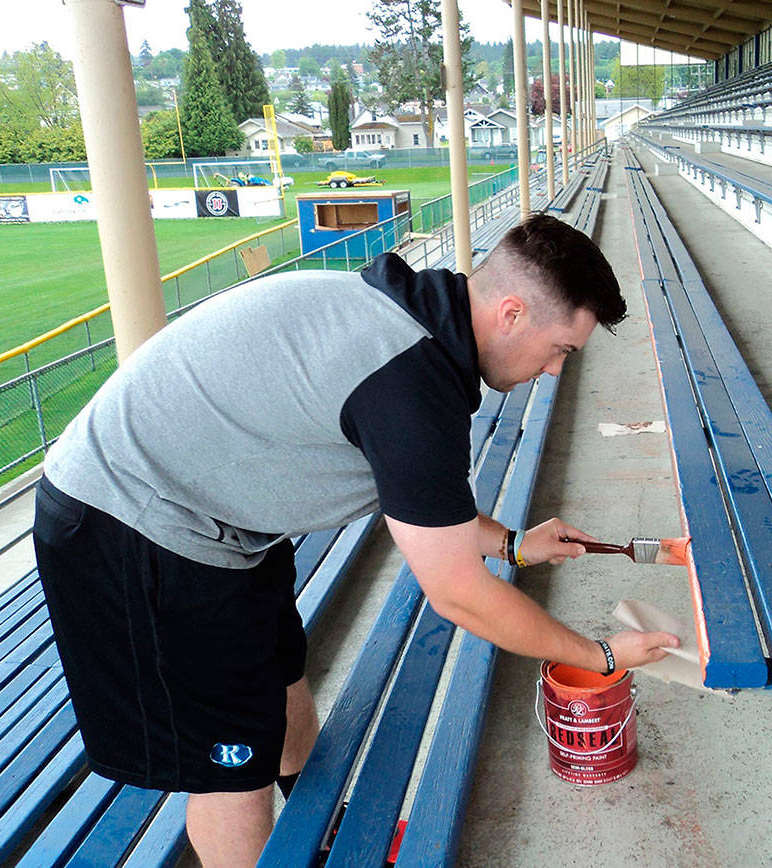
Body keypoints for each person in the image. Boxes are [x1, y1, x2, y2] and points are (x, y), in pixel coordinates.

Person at [33, 213, 679, 867]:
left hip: (221, 524)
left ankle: (323, 837)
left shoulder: (420, 330)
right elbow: (458, 595)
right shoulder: (411, 384)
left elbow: (426, 509)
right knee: (231, 767)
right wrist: (599, 654)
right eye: (561, 350)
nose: (553, 371)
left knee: (282, 691)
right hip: (133, 528)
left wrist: (513, 543)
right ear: (511, 313)